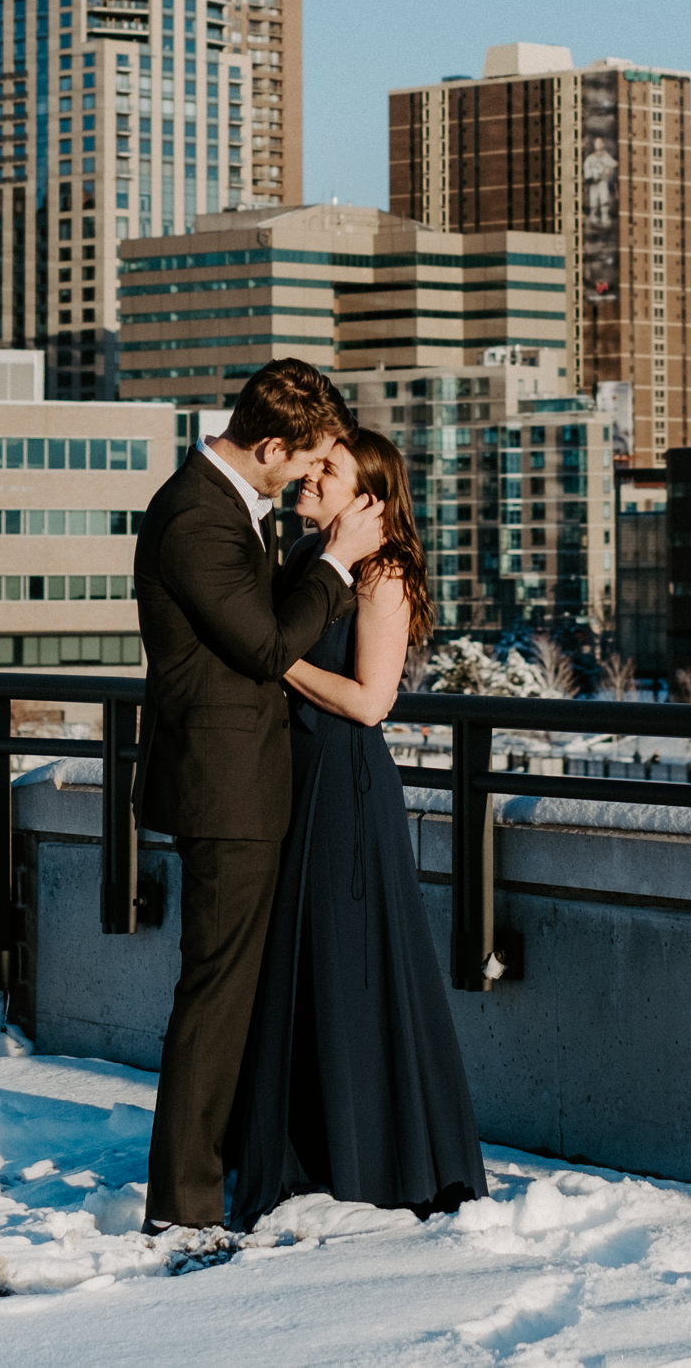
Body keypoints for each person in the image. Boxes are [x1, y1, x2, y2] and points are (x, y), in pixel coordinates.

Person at [132, 358, 386, 1235]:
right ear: (269, 444)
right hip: (223, 790)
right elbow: (266, 646)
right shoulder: (198, 519)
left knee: (231, 993)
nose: (307, 475)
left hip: (238, 783)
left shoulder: (229, 508)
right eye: (304, 459)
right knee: (216, 996)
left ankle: (218, 1173)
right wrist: (340, 562)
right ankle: (184, 1206)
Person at [229, 427, 487, 1229]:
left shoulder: (384, 576)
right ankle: (307, 1148)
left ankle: (377, 1156)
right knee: (297, 967)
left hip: (343, 787)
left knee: (354, 967)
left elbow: (373, 702)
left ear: (367, 497)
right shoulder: (310, 560)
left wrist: (274, 660)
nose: (309, 476)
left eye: (327, 469)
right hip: (296, 781)